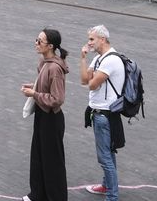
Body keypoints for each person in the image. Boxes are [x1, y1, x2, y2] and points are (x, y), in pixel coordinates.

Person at [20, 28, 69, 201]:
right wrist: (34, 87)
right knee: (39, 156)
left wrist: (34, 94)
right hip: (42, 114)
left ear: (50, 46)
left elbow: (57, 98)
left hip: (52, 118)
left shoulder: (55, 68)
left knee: (52, 161)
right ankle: (38, 194)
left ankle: (56, 197)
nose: (36, 43)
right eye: (36, 39)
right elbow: (44, 86)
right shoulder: (43, 62)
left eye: (40, 41)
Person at [80, 24, 125, 198]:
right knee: (109, 153)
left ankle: (112, 195)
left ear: (102, 39)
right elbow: (85, 80)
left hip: (105, 115)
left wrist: (92, 77)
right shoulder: (99, 58)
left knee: (105, 157)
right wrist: (83, 58)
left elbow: (92, 84)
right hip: (100, 113)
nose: (89, 43)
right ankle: (107, 186)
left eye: (92, 39)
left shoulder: (110, 60)